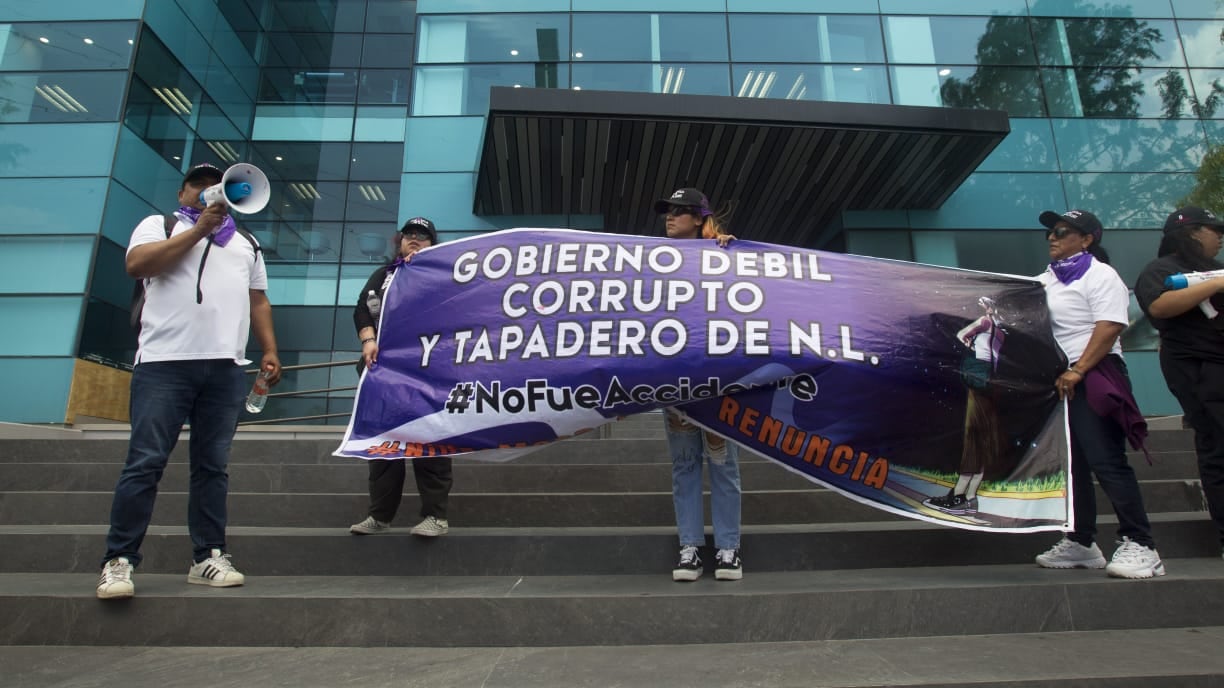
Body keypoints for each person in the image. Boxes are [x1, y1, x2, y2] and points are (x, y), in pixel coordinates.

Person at [96, 163, 281, 600]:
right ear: (183, 193)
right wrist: (198, 230)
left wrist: (269, 349)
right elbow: (138, 265)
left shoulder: (246, 243)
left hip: (225, 368)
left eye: (215, 186)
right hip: (164, 363)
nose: (207, 191)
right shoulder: (157, 225)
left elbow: (258, 301)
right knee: (145, 462)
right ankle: (119, 560)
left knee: (212, 468)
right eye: (198, 185)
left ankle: (208, 556)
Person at [1032, 209, 1163, 579]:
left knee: (1106, 460)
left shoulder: (1100, 275)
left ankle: (1142, 544)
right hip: (1062, 380)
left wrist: (1079, 369)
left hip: (1094, 373)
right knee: (1072, 466)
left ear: (1087, 239)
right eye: (1050, 234)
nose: (1052, 238)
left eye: (1061, 232)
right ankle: (1082, 542)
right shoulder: (1048, 280)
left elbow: (1110, 327)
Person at [652, 187, 743, 582]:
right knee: (685, 465)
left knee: (723, 463)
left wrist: (735, 255)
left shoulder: (727, 255)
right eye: (668, 211)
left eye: (679, 211)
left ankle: (728, 550)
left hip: (718, 377)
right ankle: (689, 548)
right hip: (675, 378)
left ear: (698, 218)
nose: (670, 217)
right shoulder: (650, 261)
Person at [349, 216, 454, 538]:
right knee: (382, 446)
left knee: (430, 441)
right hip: (382, 372)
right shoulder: (383, 275)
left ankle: (436, 516)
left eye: (423, 236)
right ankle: (380, 515)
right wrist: (368, 340)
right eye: (409, 235)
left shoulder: (444, 277)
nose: (415, 239)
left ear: (433, 244)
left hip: (426, 371)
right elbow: (361, 309)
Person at [1134, 206, 1224, 560]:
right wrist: (1215, 283)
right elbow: (1159, 306)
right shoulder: (1162, 270)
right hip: (1198, 368)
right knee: (1218, 444)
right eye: (1212, 229)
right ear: (1190, 233)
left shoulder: (1212, 269)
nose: (1218, 236)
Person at [924, 296, 1006, 515]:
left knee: (974, 436)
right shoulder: (1001, 331)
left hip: (979, 380)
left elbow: (962, 334)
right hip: (992, 382)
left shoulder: (985, 322)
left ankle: (960, 495)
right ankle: (970, 496)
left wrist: (969, 342)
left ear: (990, 308)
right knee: (983, 438)